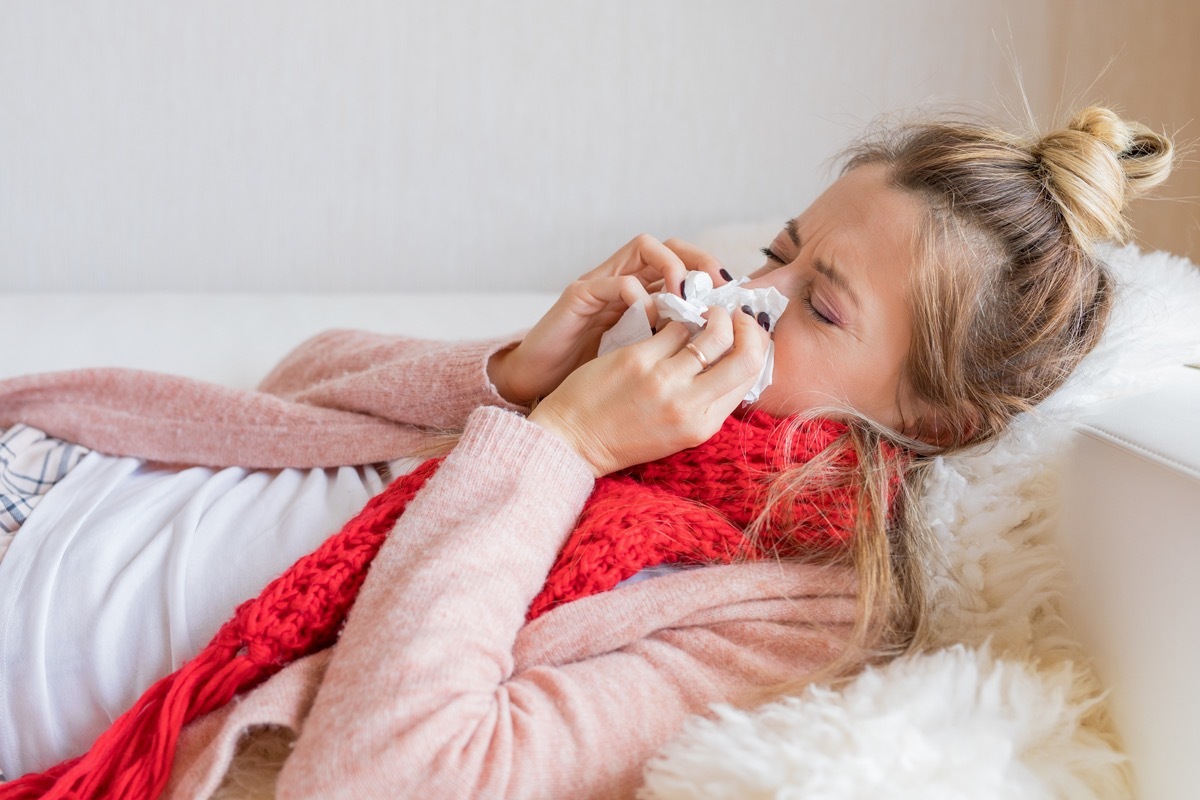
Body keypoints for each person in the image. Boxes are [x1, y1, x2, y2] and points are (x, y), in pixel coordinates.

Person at [0, 105, 1174, 799]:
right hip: (52, 470)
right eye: (778, 246)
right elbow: (288, 393)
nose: (746, 291)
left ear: (934, 425)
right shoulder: (609, 404)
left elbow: (393, 775)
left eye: (820, 305)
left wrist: (559, 447)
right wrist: (524, 374)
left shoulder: (794, 611)